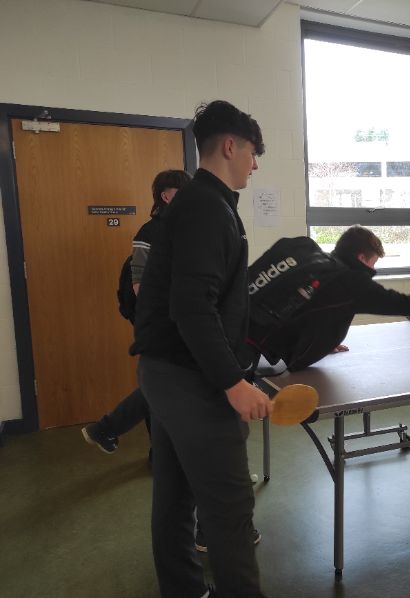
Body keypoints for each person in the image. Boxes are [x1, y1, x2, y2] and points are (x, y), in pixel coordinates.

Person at [132, 100, 270, 598]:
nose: (255, 164)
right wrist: (233, 382)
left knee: (173, 497)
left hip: (165, 375)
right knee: (230, 508)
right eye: (254, 152)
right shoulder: (208, 208)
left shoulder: (198, 205)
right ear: (230, 145)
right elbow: (193, 308)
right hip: (190, 380)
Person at [247, 225, 410, 372]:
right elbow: (403, 304)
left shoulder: (318, 262)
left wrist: (321, 340)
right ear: (361, 258)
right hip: (246, 356)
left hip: (245, 335)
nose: (373, 269)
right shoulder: (351, 282)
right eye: (373, 262)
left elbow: (304, 307)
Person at [82, 169, 191, 455]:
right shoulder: (150, 232)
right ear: (166, 195)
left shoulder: (186, 227)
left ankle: (140, 443)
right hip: (162, 323)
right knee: (161, 384)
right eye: (183, 191)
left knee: (166, 385)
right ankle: (121, 434)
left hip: (179, 321)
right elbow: (141, 284)